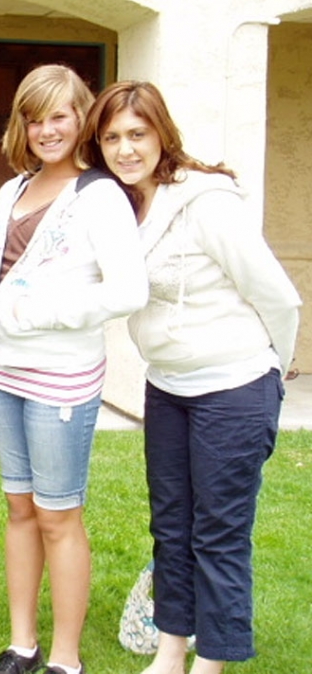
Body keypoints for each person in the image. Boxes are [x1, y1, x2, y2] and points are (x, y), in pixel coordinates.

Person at [81, 81, 301, 674]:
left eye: (137, 134)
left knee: (218, 532)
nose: (125, 149)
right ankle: (171, 650)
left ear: (161, 135)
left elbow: (278, 297)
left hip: (234, 388)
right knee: (170, 526)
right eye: (111, 138)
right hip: (169, 388)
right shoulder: (124, 208)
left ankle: (216, 659)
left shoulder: (208, 203)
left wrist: (271, 375)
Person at [0, 64, 148, 674]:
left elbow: (128, 292)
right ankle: (24, 644)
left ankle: (66, 658)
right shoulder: (15, 188)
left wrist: (38, 313)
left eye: (59, 116)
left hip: (61, 379)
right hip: (1, 374)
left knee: (58, 514)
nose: (47, 129)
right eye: (34, 117)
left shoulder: (100, 195)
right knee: (19, 509)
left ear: (82, 119)